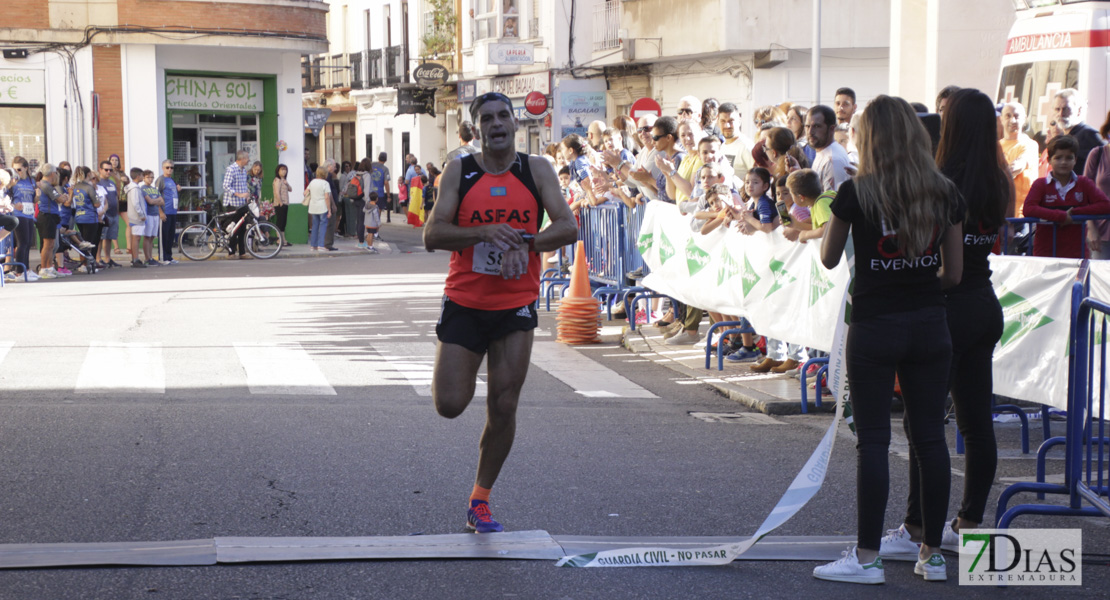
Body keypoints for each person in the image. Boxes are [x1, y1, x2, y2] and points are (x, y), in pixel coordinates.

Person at [816, 95, 964, 585]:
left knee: (874, 442)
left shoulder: (857, 193)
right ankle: (932, 555)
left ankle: (867, 558)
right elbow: (953, 274)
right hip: (929, 324)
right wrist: (914, 273)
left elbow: (829, 258)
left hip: (876, 325)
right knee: (929, 439)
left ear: (869, 139)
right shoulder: (943, 192)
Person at [423, 91, 578, 534]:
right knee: (450, 404)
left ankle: (480, 499)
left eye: (503, 116)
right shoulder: (460, 170)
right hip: (466, 302)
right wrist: (483, 232)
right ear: (477, 129)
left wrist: (526, 242)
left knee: (505, 404)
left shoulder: (537, 169)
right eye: (487, 118)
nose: (496, 124)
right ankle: (459, 368)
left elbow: (568, 226)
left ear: (514, 123)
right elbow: (433, 234)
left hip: (515, 303)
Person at [879, 87, 1011, 566]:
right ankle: (968, 525)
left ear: (950, 127)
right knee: (977, 425)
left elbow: (929, 254)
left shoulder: (941, 181)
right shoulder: (1001, 177)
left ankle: (917, 526)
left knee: (923, 427)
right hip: (984, 302)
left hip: (947, 305)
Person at [1024, 134, 1110, 258]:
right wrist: (1060, 216)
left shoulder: (1084, 183)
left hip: (1077, 254)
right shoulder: (1040, 184)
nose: (1063, 162)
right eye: (1058, 158)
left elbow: (1106, 206)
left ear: (1075, 160)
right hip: (1046, 253)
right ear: (1049, 160)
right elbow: (1028, 209)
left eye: (1069, 158)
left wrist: (1075, 212)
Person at [1055, 88, 1106, 178]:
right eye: (1057, 109)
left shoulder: (1091, 136)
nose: (1061, 113)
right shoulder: (1062, 138)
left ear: (1079, 110)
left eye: (1066, 109)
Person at [999, 101, 1039, 218]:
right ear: (1001, 119)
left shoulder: (1029, 145)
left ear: (1024, 119)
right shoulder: (995, 146)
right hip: (997, 213)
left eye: (1017, 116)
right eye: (1008, 116)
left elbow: (1014, 169)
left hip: (1021, 215)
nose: (1012, 120)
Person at [806, 104, 853, 193]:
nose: (810, 132)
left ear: (831, 129)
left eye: (816, 126)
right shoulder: (823, 151)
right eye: (807, 126)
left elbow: (832, 203)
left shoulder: (833, 160)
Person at [36, 163, 69, 279]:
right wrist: (63, 197)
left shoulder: (49, 185)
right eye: (56, 173)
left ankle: (49, 267)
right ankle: (44, 268)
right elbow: (60, 199)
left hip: (51, 216)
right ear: (52, 173)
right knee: (47, 244)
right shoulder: (46, 185)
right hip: (47, 216)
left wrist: (62, 197)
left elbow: (60, 198)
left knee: (52, 244)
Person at [9, 157, 38, 280]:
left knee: (28, 243)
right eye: (15, 169)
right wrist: (14, 205)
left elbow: (34, 200)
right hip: (18, 214)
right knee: (22, 243)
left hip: (29, 214)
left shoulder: (31, 181)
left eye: (19, 169)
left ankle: (26, 268)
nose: (17, 172)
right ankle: (19, 271)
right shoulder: (13, 182)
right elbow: (7, 197)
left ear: (26, 168)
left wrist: (37, 195)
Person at [221, 151, 252, 258]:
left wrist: (247, 195)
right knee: (234, 228)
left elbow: (243, 185)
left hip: (242, 203)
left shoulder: (244, 171)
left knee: (243, 228)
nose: (248, 160)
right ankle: (231, 252)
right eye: (247, 158)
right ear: (241, 159)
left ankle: (242, 252)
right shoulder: (231, 169)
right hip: (233, 203)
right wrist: (238, 194)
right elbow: (225, 186)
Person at [717, 102, 755, 181]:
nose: (727, 126)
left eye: (731, 121)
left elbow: (756, 176)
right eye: (723, 121)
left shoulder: (746, 146)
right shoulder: (722, 147)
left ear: (739, 121)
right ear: (718, 122)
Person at [96, 161, 122, 267]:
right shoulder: (98, 183)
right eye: (106, 170)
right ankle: (98, 258)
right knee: (101, 238)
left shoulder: (112, 183)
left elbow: (116, 197)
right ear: (100, 170)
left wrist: (117, 211)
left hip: (114, 213)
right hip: (104, 214)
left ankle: (108, 258)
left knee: (110, 237)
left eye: (110, 170)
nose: (108, 172)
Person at [155, 160, 179, 264]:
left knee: (170, 235)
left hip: (173, 211)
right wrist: (160, 211)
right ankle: (162, 257)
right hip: (165, 211)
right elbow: (156, 195)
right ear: (163, 168)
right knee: (164, 235)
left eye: (171, 168)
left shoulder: (172, 180)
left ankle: (169, 256)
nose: (169, 169)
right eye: (167, 167)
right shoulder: (161, 180)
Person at [140, 169, 165, 266]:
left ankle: (151, 257)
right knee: (147, 237)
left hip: (155, 214)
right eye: (148, 177)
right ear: (144, 178)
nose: (150, 179)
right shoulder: (143, 189)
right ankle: (147, 258)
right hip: (149, 214)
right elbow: (149, 202)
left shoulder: (154, 189)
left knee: (152, 237)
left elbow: (162, 201)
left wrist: (155, 200)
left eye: (152, 177)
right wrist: (156, 200)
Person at [303, 166, 332, 251]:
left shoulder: (312, 182)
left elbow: (305, 193)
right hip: (322, 207)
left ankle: (313, 245)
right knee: (323, 226)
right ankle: (321, 245)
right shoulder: (325, 183)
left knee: (315, 226)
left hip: (313, 207)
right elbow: (327, 197)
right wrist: (329, 209)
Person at [125, 167, 148, 268]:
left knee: (137, 237)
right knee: (136, 238)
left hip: (136, 216)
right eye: (142, 175)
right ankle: (135, 259)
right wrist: (141, 214)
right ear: (138, 176)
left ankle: (135, 258)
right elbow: (136, 203)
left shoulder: (134, 187)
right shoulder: (134, 189)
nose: (143, 177)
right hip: (136, 217)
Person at [272, 164, 292, 246]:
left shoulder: (284, 180)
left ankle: (283, 240)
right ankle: (279, 240)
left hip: (285, 203)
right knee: (280, 222)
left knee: (283, 223)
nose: (284, 171)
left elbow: (290, 189)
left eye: (285, 170)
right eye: (282, 170)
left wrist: (287, 183)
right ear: (278, 171)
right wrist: (280, 203)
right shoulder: (277, 180)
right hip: (280, 204)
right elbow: (277, 192)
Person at [370, 152, 392, 223]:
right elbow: (386, 182)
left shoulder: (371, 165)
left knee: (369, 210)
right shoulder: (385, 169)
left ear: (378, 158)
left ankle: (369, 227)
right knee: (378, 210)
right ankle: (375, 229)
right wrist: (388, 195)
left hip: (369, 192)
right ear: (385, 160)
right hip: (379, 193)